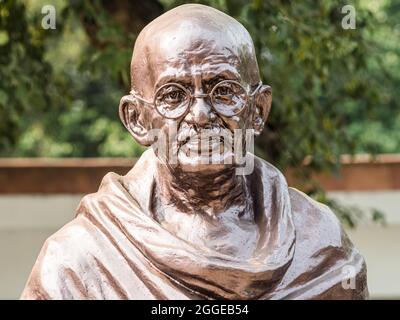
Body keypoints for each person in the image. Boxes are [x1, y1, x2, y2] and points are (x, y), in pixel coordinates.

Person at [21, 4, 368, 300]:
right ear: (137, 119)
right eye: (173, 95)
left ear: (258, 109)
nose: (201, 115)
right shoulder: (78, 262)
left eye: (224, 91)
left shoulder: (321, 247)